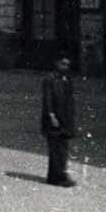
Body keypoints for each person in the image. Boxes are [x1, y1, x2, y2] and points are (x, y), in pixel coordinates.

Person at [41, 53, 76, 186]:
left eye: (67, 64)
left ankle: (59, 175)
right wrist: (51, 115)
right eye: (63, 64)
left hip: (66, 119)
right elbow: (47, 99)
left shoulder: (67, 79)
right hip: (54, 119)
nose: (65, 67)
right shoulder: (49, 79)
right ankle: (57, 177)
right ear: (56, 63)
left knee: (63, 149)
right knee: (55, 149)